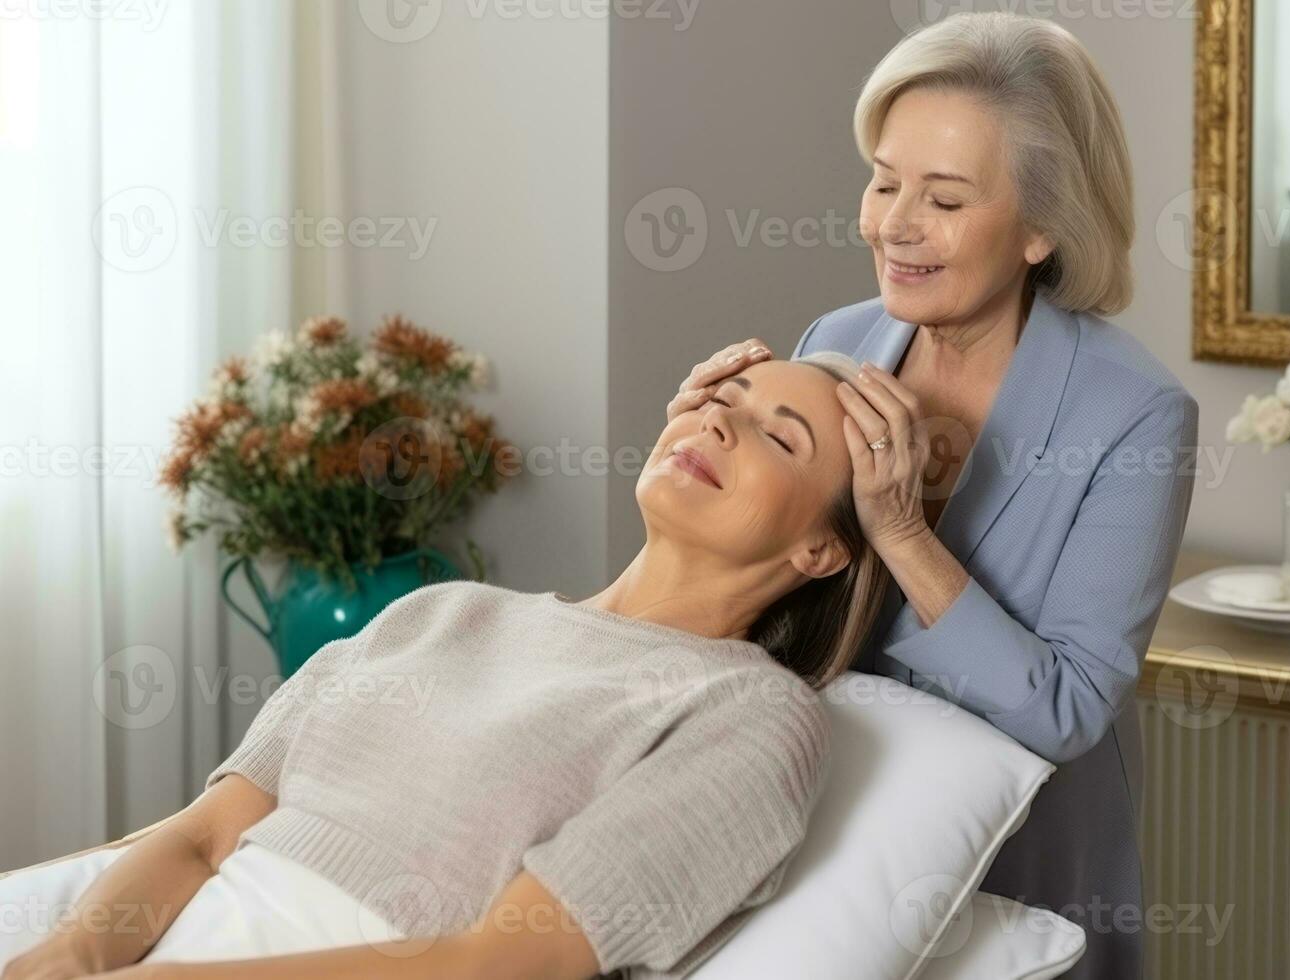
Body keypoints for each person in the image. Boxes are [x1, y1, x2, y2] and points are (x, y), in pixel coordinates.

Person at [0, 354, 891, 980]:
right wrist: (66, 958)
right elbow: (202, 834)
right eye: (721, 395)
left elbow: (500, 964)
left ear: (822, 547)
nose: (720, 420)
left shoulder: (750, 715)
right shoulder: (442, 610)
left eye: (778, 437)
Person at [667, 13, 1198, 978]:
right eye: (881, 181)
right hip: (831, 847)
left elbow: (1071, 709)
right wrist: (696, 464)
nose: (892, 225)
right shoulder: (838, 332)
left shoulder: (1136, 413)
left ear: (1043, 226)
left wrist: (903, 533)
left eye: (944, 200)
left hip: (1023, 879)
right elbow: (778, 591)